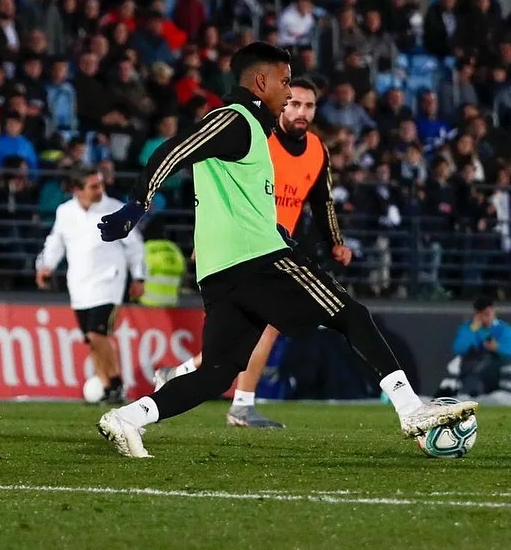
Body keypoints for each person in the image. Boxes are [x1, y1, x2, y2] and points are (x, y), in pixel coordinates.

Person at [95, 42, 477, 458]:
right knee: (350, 314)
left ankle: (128, 418)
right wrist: (137, 202)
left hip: (223, 268)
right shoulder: (234, 119)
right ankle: (411, 410)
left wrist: (274, 225)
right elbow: (175, 148)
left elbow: (236, 197)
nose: (288, 89)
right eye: (285, 80)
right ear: (261, 82)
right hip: (258, 259)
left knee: (217, 373)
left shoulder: (253, 130)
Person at [152, 77, 352, 428]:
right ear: (283, 104)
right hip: (242, 243)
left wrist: (335, 240)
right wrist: (203, 236)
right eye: (295, 103)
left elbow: (322, 201)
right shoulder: (258, 139)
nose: (301, 111)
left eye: (309, 105)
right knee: (259, 326)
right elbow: (213, 181)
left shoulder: (318, 150)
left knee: (255, 329)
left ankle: (189, 378)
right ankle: (235, 402)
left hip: (278, 245)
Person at [36, 168, 146, 404]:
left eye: (100, 185)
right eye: (94, 186)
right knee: (91, 339)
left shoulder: (116, 208)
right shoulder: (65, 212)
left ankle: (115, 383)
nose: (100, 190)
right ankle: (107, 388)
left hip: (109, 280)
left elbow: (135, 246)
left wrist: (138, 277)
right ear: (77, 189)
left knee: (98, 334)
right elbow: (56, 242)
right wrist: (46, 265)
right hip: (79, 285)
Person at [436, 296, 511, 399]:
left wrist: (497, 348)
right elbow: (458, 348)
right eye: (481, 314)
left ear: (493, 312)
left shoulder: (505, 329)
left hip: (497, 371)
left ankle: (507, 395)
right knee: (472, 385)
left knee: (510, 366)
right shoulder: (469, 328)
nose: (485, 317)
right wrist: (474, 328)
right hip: (475, 372)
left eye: (487, 314)